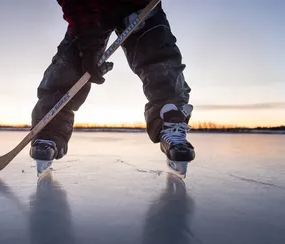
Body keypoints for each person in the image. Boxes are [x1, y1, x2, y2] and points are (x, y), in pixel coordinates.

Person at [29, 0, 195, 174]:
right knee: (69, 66)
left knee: (160, 61)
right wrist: (88, 45)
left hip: (142, 4)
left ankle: (172, 122)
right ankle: (49, 131)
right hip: (92, 9)